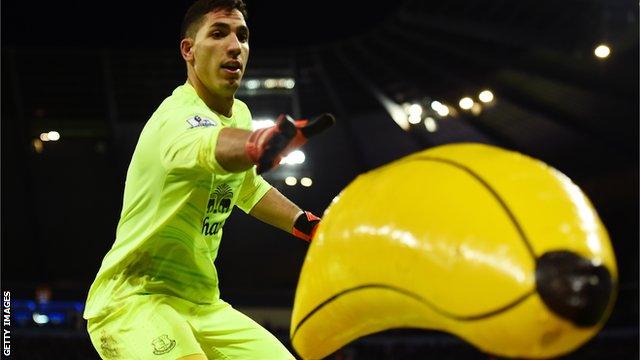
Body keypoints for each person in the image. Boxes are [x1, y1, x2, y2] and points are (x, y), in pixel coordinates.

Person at [82, 0, 332, 358]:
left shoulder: (240, 113)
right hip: (134, 300)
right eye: (218, 34)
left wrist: (305, 224)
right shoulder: (176, 118)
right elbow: (211, 145)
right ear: (189, 50)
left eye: (242, 36)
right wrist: (255, 142)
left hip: (202, 303)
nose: (235, 46)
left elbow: (246, 185)